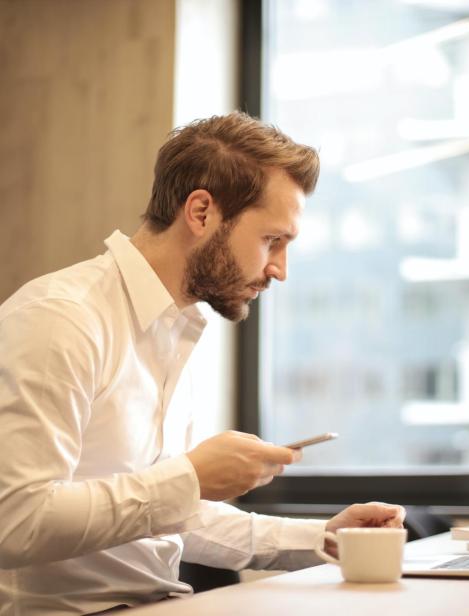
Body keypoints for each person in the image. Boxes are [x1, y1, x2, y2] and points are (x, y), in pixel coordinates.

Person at [0, 112, 405, 615]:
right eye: (271, 241)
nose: (279, 270)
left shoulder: (174, 330)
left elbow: (162, 515)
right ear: (200, 212)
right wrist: (189, 477)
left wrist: (322, 537)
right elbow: (13, 522)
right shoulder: (60, 320)